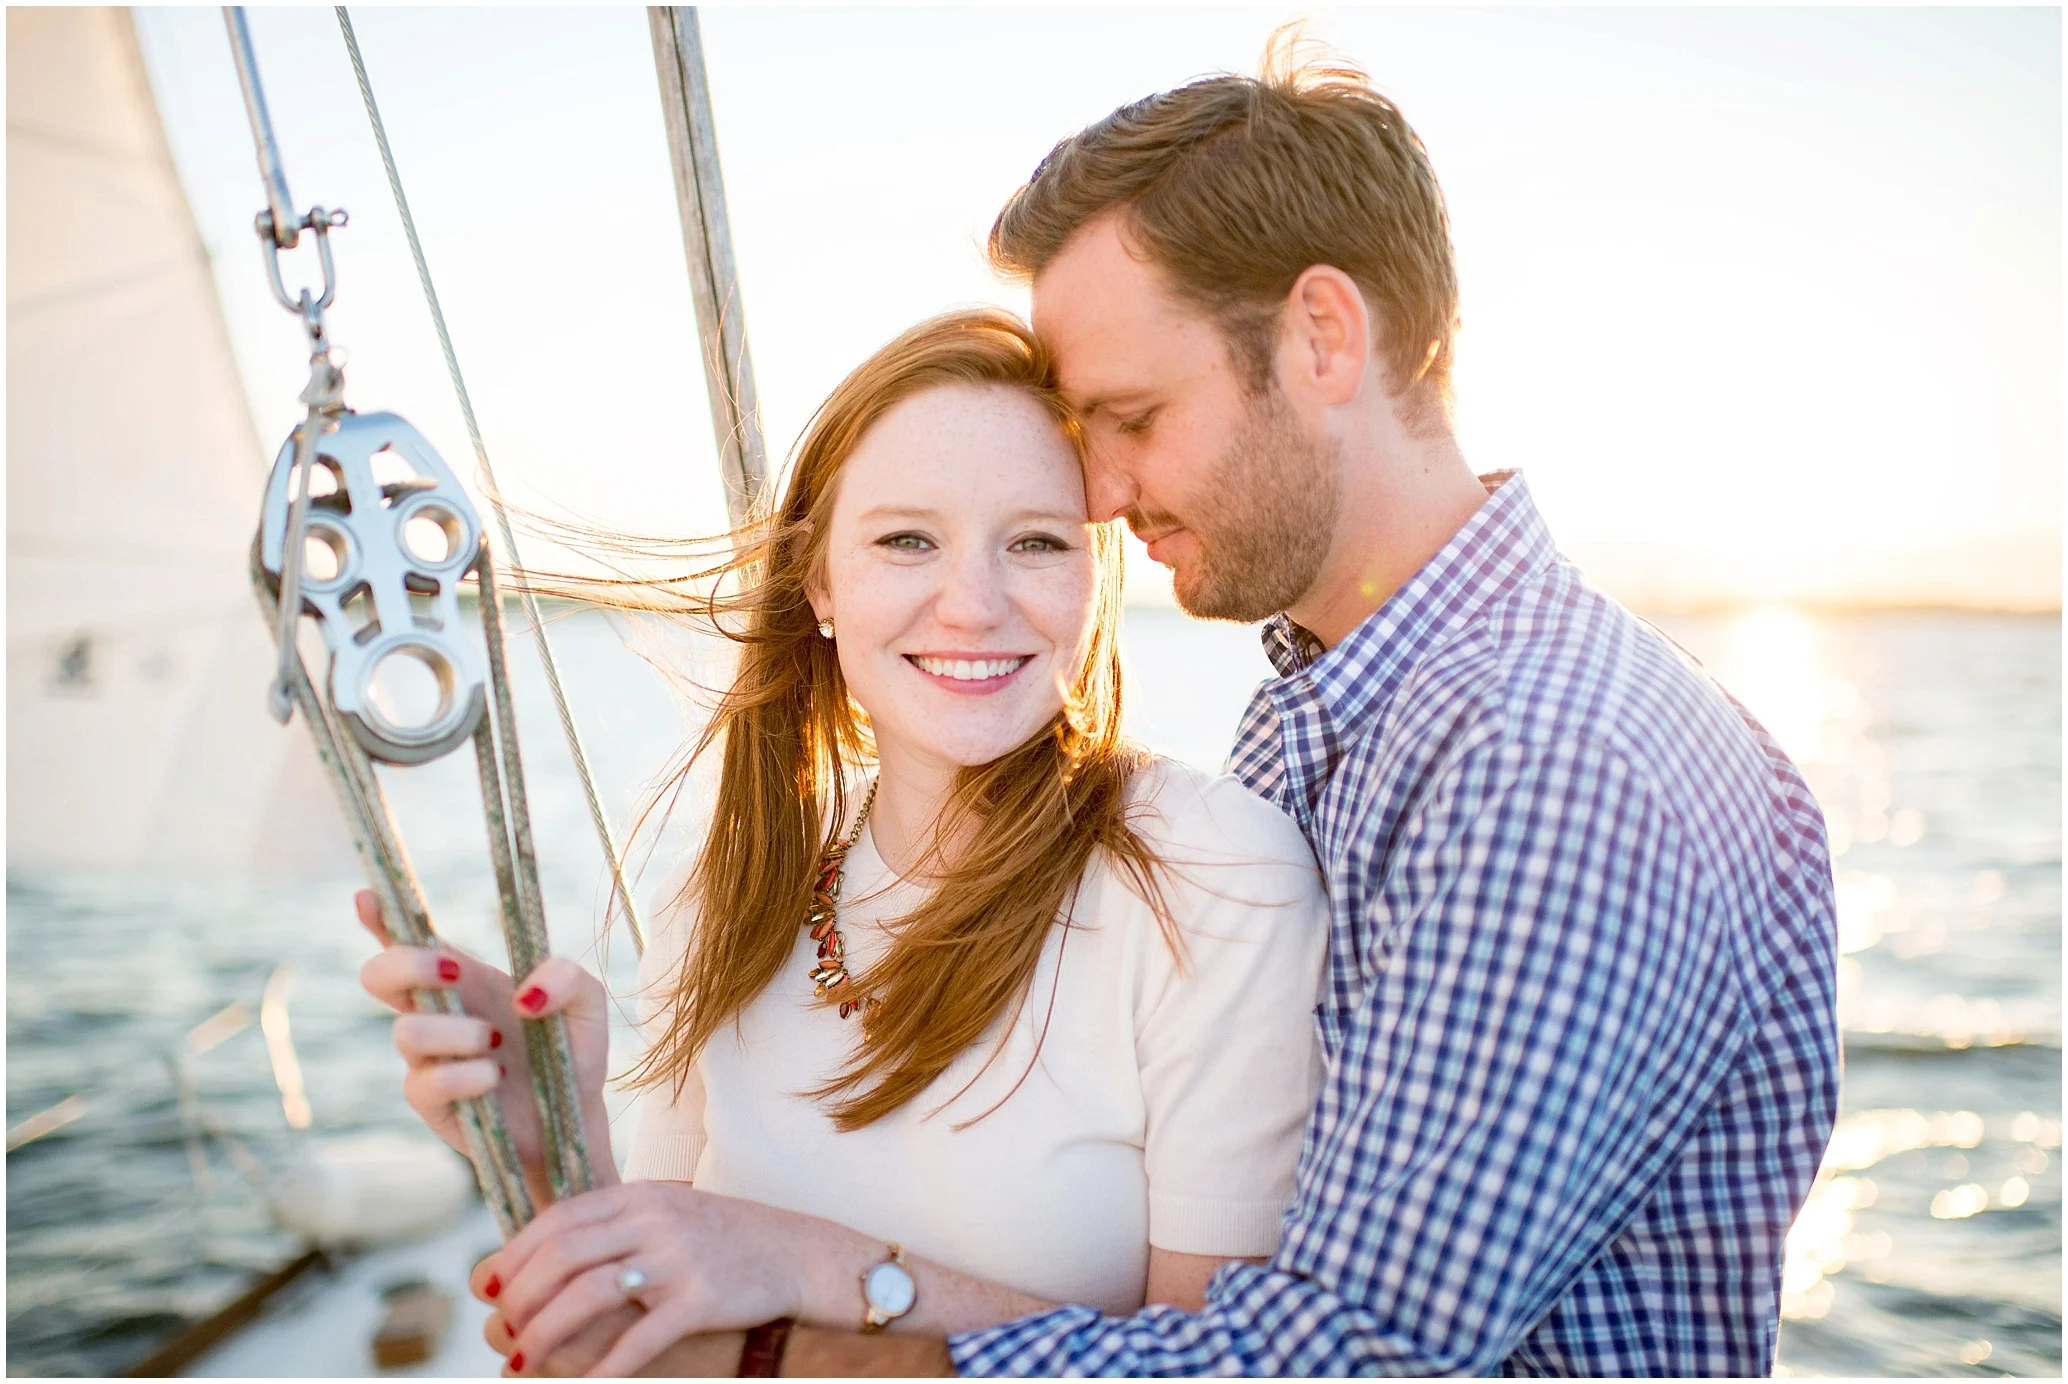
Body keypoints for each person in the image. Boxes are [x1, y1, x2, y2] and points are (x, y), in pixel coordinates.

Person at [476, 33, 1841, 1379]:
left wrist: (807, 1291)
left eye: (1131, 416)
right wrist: (569, 1159)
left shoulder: (1547, 759)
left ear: (1321, 336)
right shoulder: (1352, 719)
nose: (1106, 493)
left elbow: (1356, 1359)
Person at [356, 310, 1331, 1373]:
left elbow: (1220, 1362)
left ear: (1093, 585)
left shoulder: (1210, 874)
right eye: (906, 538)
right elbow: (654, 1318)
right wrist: (553, 1150)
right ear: (819, 583)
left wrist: (818, 1263)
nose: (972, 603)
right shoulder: (731, 882)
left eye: (1037, 541)